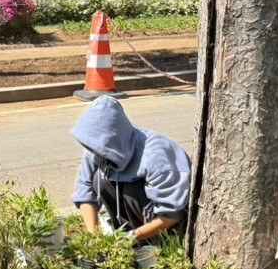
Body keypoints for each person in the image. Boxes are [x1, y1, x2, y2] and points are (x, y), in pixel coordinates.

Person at [70, 95, 191, 242]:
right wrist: (93, 236)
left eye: (97, 147)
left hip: (167, 225)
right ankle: (126, 235)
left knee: (131, 190)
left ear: (112, 139)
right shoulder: (96, 146)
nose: (92, 151)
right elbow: (85, 190)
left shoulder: (156, 156)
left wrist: (131, 238)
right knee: (99, 179)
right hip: (134, 229)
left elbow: (172, 215)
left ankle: (154, 244)